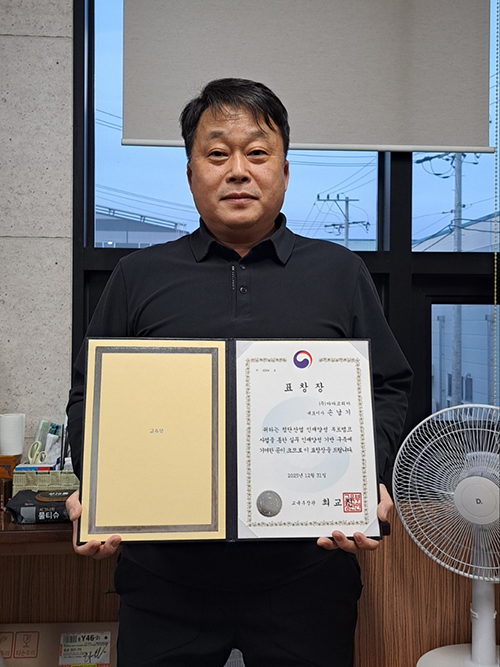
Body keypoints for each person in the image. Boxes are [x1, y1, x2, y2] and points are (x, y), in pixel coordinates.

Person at [67, 78, 412, 667]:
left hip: (307, 573)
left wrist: (365, 474)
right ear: (190, 173)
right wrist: (101, 488)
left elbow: (388, 385)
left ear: (284, 170)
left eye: (256, 152)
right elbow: (89, 397)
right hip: (165, 581)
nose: (237, 171)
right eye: (217, 153)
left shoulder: (340, 272)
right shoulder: (137, 276)